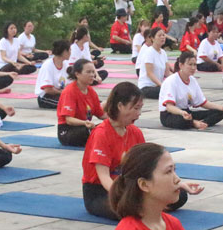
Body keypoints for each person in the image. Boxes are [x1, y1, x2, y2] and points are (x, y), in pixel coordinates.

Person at [83, 83, 200, 219]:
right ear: (120, 106)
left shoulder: (135, 132)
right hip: (102, 192)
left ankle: (148, 207)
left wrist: (178, 184)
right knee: (127, 208)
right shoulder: (101, 134)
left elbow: (147, 168)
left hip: (128, 187)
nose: (138, 114)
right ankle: (149, 207)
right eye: (135, 108)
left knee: (179, 196)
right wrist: (124, 197)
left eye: (140, 108)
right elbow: (104, 178)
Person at [159, 53, 223, 129]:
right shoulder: (171, 81)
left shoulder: (193, 80)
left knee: (218, 113)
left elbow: (203, 103)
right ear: (181, 65)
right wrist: (181, 113)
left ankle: (201, 123)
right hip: (171, 114)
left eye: (195, 65)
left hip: (186, 113)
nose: (193, 68)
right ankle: (193, 123)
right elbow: (169, 107)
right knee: (181, 121)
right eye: (190, 64)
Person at [55, 58, 108, 146]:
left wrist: (117, 121)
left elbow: (101, 114)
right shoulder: (69, 91)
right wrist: (84, 123)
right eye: (88, 72)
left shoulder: (91, 91)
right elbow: (69, 120)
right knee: (91, 132)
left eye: (93, 72)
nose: (92, 75)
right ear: (77, 74)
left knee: (111, 128)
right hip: (68, 131)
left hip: (86, 126)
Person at [35, 40, 71, 109]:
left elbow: (69, 83)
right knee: (68, 105)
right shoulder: (48, 65)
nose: (70, 53)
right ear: (64, 52)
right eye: (69, 50)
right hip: (46, 97)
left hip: (59, 94)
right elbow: (48, 90)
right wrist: (62, 92)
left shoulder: (66, 64)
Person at [137, 27, 170, 99]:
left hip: (158, 86)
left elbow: (167, 73)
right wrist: (162, 85)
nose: (162, 37)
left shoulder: (163, 53)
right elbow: (149, 73)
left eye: (163, 35)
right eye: (159, 35)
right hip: (147, 87)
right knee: (168, 91)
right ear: (152, 38)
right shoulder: (149, 52)